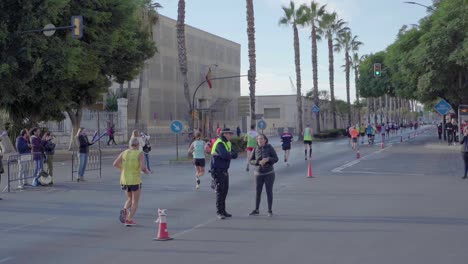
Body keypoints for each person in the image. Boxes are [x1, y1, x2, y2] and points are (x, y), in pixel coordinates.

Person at [113, 137, 150, 226]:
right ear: (138, 145)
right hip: (135, 179)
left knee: (129, 198)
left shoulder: (124, 152)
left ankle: (125, 210)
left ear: (130, 145)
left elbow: (115, 164)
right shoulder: (139, 153)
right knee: (135, 201)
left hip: (124, 179)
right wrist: (146, 172)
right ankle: (129, 219)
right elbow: (142, 167)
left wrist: (123, 169)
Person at [210, 127, 238, 219]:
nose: (231, 135)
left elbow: (235, 154)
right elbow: (225, 155)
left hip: (225, 171)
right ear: (225, 134)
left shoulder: (228, 143)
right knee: (220, 192)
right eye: (230, 134)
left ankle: (223, 211)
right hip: (218, 171)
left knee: (225, 191)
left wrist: (228, 155)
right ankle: (219, 212)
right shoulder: (219, 143)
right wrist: (228, 155)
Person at [249, 134, 278, 217]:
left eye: (261, 139)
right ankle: (256, 209)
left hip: (269, 173)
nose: (259, 140)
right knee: (258, 192)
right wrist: (258, 162)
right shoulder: (255, 148)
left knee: (269, 192)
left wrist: (268, 159)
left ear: (265, 140)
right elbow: (251, 161)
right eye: (258, 139)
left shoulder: (269, 148)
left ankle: (269, 210)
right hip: (258, 174)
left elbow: (276, 159)